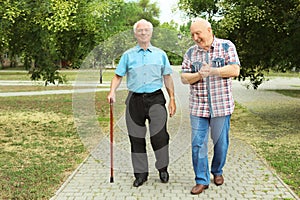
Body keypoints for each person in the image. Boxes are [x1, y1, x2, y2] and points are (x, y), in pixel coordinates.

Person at [107, 19, 176, 187]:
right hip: (134, 100)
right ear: (135, 34)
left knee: (159, 136)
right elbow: (118, 76)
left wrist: (172, 98)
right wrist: (112, 91)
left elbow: (167, 76)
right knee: (136, 138)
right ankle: (140, 175)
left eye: (146, 30)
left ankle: (163, 168)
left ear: (151, 33)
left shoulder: (160, 54)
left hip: (156, 99)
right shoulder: (128, 55)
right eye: (140, 30)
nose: (143, 33)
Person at [180, 18, 240, 195]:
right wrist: (199, 74)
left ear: (209, 30)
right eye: (192, 34)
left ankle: (217, 171)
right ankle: (201, 179)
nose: (195, 37)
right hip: (198, 107)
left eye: (198, 33)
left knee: (221, 144)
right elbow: (184, 77)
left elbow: (235, 70)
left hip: (221, 107)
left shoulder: (227, 46)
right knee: (198, 144)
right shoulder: (191, 53)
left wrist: (213, 71)